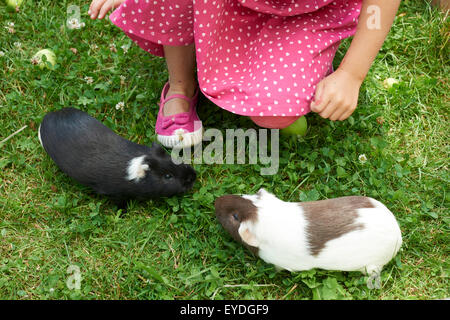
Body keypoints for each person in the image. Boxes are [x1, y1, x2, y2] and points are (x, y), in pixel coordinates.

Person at [88, 0, 401, 147]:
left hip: (303, 14)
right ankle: (181, 86)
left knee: (275, 115)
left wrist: (352, 74)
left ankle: (292, 57)